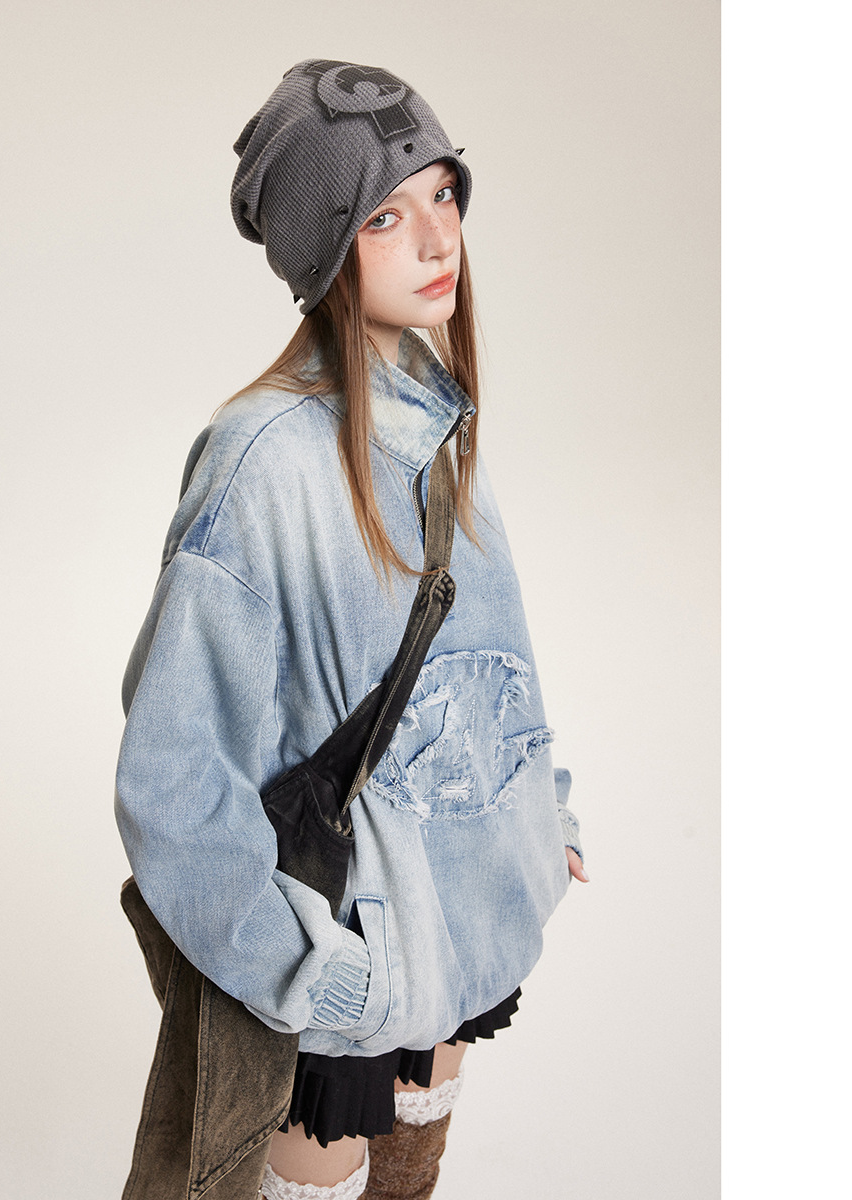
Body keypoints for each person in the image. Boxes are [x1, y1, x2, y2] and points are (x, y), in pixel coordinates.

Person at [114, 59, 587, 1200]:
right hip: (353, 951)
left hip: (463, 918)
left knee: (413, 1173)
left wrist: (545, 819)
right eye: (385, 214)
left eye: (444, 194)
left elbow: (493, 661)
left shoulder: (436, 420)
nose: (437, 238)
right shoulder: (261, 463)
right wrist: (317, 976)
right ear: (323, 247)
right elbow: (174, 781)